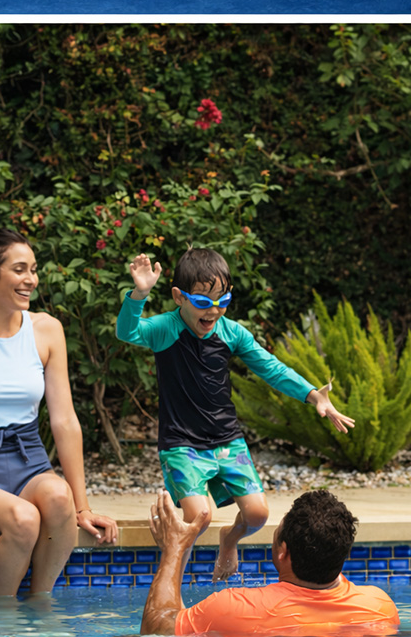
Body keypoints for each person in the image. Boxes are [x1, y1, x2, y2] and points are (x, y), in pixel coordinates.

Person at [116, 248, 353, 580]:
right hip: (181, 443)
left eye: (222, 300)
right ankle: (171, 587)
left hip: (227, 440)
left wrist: (313, 395)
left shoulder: (231, 333)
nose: (214, 310)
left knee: (257, 515)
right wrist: (139, 294)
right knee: (198, 518)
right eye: (203, 301)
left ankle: (229, 540)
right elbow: (127, 332)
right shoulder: (166, 329)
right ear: (179, 297)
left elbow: (270, 367)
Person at [0, 228, 119, 596]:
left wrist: (83, 507)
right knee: (23, 518)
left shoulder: (47, 330)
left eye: (33, 269)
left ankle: (40, 607)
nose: (31, 280)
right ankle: (5, 617)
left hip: (30, 466)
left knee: (59, 498)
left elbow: (64, 421)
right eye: (19, 270)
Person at [140, 488, 399, 635]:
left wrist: (174, 549)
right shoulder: (379, 607)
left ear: (283, 551)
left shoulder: (233, 608)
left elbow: (156, 631)